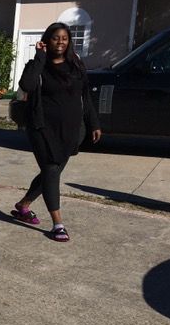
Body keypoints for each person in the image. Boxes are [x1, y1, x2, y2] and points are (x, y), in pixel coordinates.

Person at [12, 22, 102, 242]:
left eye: (64, 38)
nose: (60, 42)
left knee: (50, 173)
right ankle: (58, 224)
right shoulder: (37, 65)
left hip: (71, 130)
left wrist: (94, 123)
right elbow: (27, 85)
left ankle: (23, 206)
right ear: (47, 40)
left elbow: (85, 97)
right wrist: (40, 57)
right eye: (55, 38)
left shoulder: (76, 65)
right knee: (51, 170)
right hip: (42, 128)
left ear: (69, 41)